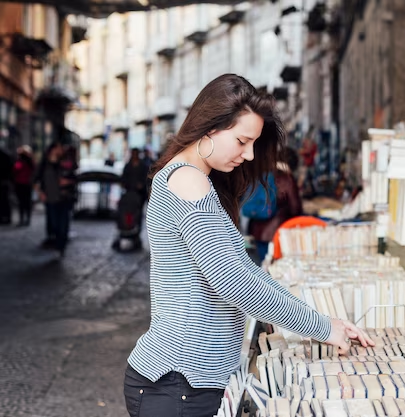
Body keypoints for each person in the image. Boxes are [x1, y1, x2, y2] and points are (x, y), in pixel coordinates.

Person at [123, 74, 374, 417]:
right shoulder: (187, 181)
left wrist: (325, 320)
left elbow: (246, 272)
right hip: (176, 382)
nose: (249, 153)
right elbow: (235, 283)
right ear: (210, 127)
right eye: (242, 141)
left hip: (185, 384)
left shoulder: (198, 181)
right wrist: (322, 327)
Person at [248, 147, 302, 263]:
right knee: (275, 268)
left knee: (264, 264)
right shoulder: (287, 178)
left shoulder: (263, 174)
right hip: (276, 233)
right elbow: (295, 208)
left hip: (257, 231)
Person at [34, 142, 72, 256]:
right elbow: (36, 179)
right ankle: (56, 240)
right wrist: (40, 193)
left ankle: (61, 246)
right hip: (50, 197)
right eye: (58, 148)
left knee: (63, 223)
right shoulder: (45, 164)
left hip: (64, 196)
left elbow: (74, 177)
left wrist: (68, 182)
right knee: (54, 223)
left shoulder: (65, 162)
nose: (60, 150)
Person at [13, 145, 36, 226]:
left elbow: (16, 169)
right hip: (23, 184)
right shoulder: (28, 161)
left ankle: (25, 219)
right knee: (24, 202)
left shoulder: (23, 162)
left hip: (24, 184)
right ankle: (24, 219)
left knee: (24, 202)